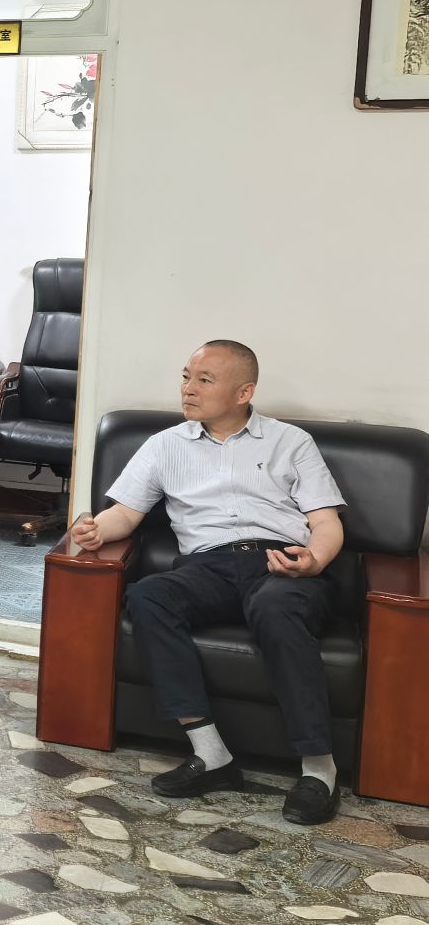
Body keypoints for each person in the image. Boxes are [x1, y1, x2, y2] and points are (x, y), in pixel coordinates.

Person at [70, 340, 347, 825]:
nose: (188, 389)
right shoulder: (164, 445)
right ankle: (211, 753)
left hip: (279, 560)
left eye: (204, 380)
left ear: (244, 392)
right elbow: (125, 514)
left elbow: (326, 522)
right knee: (149, 596)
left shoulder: (290, 442)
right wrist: (96, 530)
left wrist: (313, 560)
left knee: (276, 608)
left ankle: (319, 769)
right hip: (207, 566)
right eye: (185, 377)